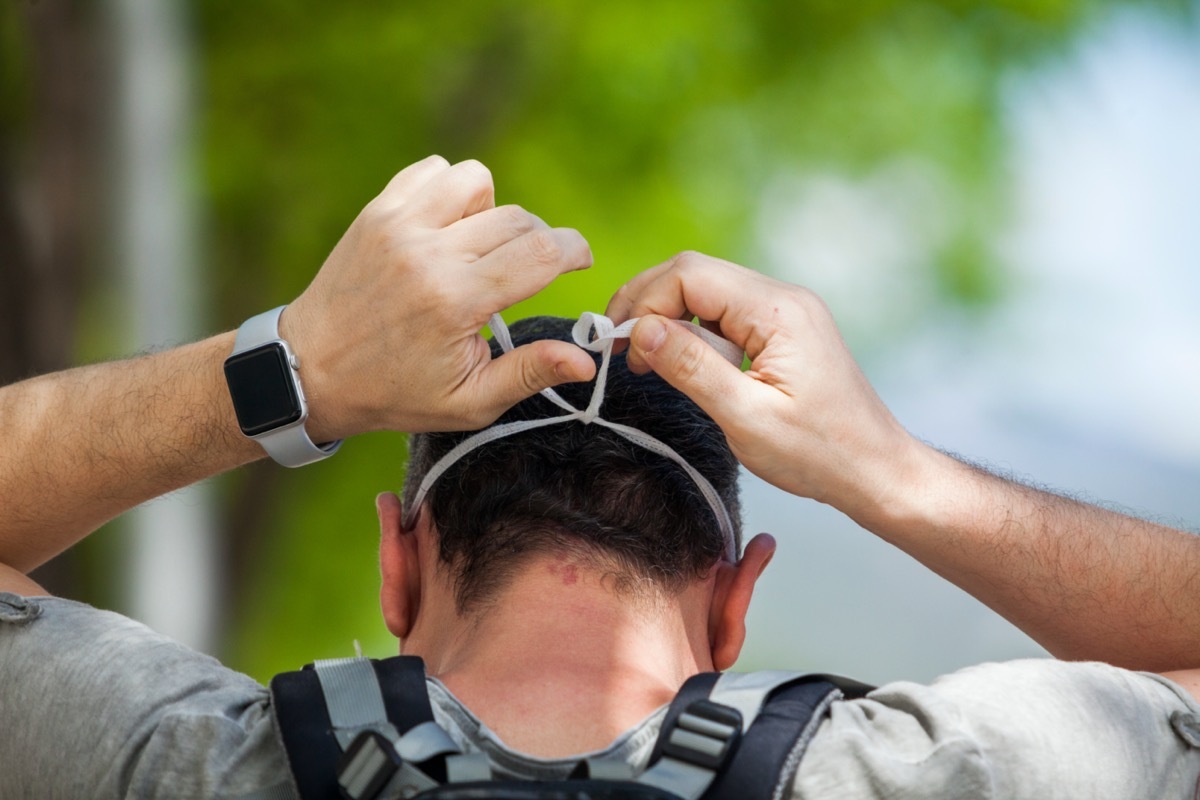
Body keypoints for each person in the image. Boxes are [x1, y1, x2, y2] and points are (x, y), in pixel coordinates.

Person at [0, 155, 1198, 798]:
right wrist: (890, 474)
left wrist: (296, 371)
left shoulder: (176, 763)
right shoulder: (933, 774)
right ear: (735, 603)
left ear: (397, 565)